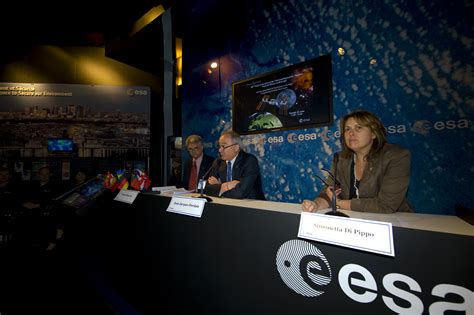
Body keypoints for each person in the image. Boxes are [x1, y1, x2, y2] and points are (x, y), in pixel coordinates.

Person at [302, 110, 413, 213]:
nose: (351, 133)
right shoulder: (340, 159)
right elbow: (330, 193)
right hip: (355, 224)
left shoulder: (396, 156)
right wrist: (315, 205)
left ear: (374, 133)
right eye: (347, 129)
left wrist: (339, 203)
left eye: (358, 128)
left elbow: (386, 205)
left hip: (396, 224)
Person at [204, 130, 265, 200]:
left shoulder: (249, 161)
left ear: (236, 147)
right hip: (226, 204)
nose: (220, 150)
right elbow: (207, 188)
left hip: (251, 206)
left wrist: (218, 188)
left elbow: (240, 193)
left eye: (223, 146)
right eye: (219, 146)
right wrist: (225, 186)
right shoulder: (218, 162)